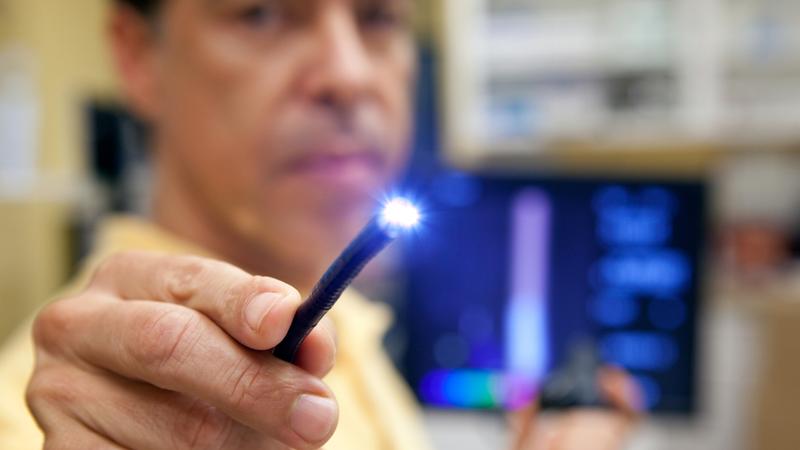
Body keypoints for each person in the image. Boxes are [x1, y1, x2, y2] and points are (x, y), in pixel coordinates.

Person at [0, 0, 641, 448]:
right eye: (263, 12)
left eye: (379, 16)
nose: (348, 74)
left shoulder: (347, 327)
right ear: (138, 54)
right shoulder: (57, 423)